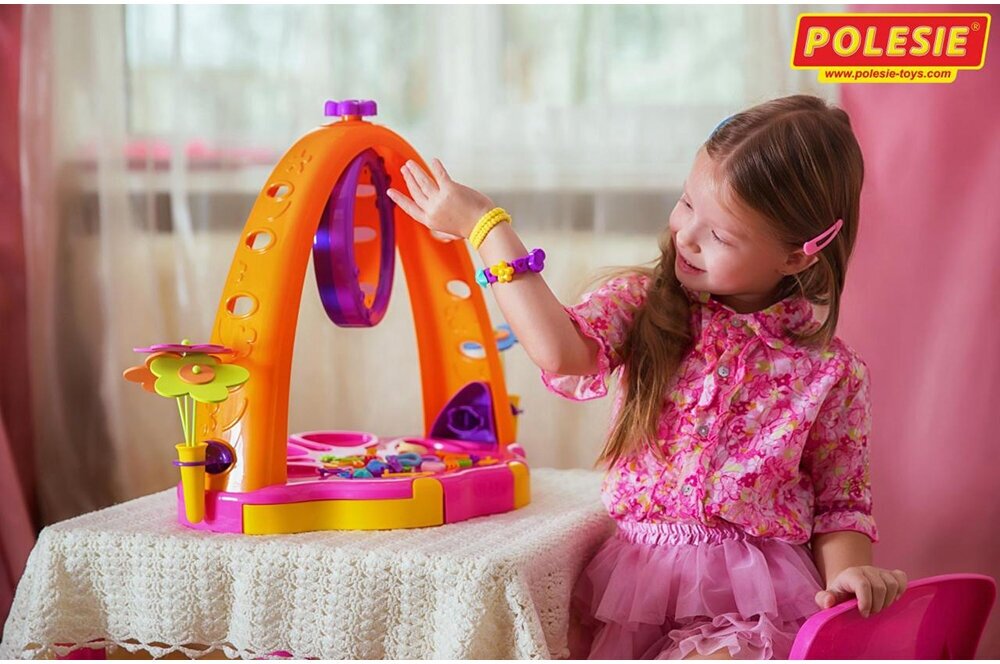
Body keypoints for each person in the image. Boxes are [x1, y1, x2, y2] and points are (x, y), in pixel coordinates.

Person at [386, 94, 906, 660]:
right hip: (638, 590)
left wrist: (849, 575)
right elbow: (560, 351)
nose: (686, 236)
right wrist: (486, 227)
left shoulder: (830, 372)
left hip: (756, 603)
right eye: (687, 203)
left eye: (721, 235)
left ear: (798, 258)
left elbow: (840, 503)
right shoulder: (643, 303)